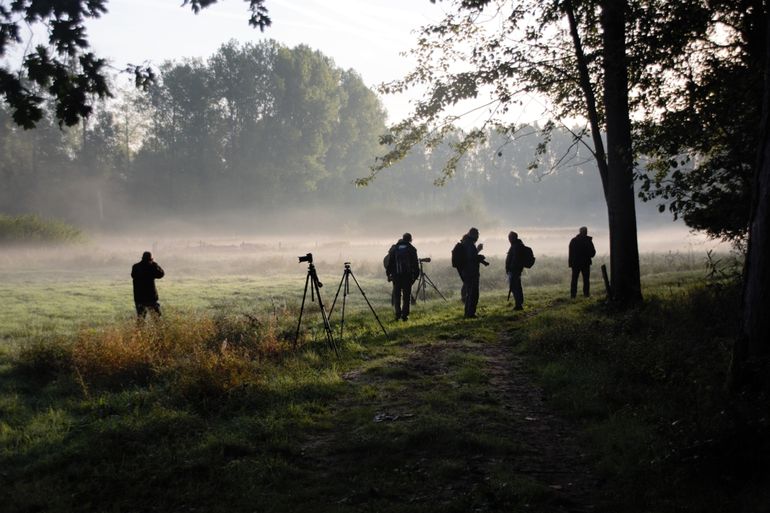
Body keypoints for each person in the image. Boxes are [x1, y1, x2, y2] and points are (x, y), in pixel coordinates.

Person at [385, 233, 419, 321]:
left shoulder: (395, 248)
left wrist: (388, 274)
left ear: (402, 238)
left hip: (396, 276)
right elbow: (415, 265)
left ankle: (397, 314)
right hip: (407, 276)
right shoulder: (412, 249)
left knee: (397, 295)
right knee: (406, 296)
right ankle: (405, 315)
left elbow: (390, 263)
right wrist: (414, 277)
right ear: (410, 239)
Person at [456, 227, 488, 318]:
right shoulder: (470, 244)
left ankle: (468, 313)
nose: (478, 237)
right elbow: (471, 258)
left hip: (466, 272)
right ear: (473, 235)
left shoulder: (465, 242)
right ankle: (471, 313)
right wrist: (480, 256)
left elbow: (469, 257)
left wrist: (479, 256)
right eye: (477, 235)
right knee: (473, 294)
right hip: (471, 272)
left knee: (470, 293)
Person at [131, 251, 165, 318]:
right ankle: (158, 329)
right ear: (150, 259)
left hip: (139, 297)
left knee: (141, 319)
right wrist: (155, 264)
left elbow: (133, 275)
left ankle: (139, 329)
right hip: (151, 297)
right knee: (157, 319)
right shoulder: (152, 267)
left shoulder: (135, 267)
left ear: (142, 258)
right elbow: (161, 274)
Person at [568, 226, 597, 298]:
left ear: (579, 232)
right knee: (586, 280)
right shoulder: (588, 241)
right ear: (586, 232)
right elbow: (593, 253)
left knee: (574, 280)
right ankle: (586, 295)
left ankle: (573, 296)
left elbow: (570, 253)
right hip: (585, 263)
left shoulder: (573, 240)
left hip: (575, 263)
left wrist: (570, 263)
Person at [505, 231, 527, 311]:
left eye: (509, 237)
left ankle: (518, 305)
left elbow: (515, 259)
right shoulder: (517, 245)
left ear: (513, 238)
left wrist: (510, 268)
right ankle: (519, 304)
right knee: (516, 287)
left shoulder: (516, 246)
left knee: (515, 288)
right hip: (515, 270)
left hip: (514, 270)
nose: (509, 239)